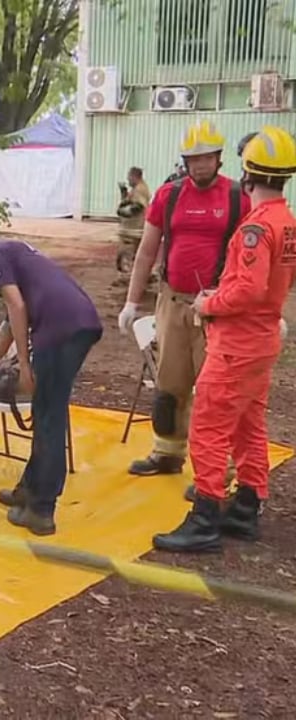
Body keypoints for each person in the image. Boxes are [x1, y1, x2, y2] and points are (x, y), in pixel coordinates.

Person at [153, 126, 296, 553]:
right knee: (249, 425)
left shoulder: (255, 228)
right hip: (261, 338)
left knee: (209, 426)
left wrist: (208, 304)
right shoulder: (287, 223)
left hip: (236, 342)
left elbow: (248, 289)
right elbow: (275, 283)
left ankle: (206, 516)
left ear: (248, 172)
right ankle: (247, 505)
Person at [117, 121, 249, 498]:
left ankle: (215, 472)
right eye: (193, 159)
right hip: (172, 302)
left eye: (206, 158)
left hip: (218, 309)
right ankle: (167, 452)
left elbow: (255, 258)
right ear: (185, 161)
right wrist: (131, 302)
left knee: (214, 391)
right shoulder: (168, 196)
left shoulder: (238, 198)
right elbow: (146, 250)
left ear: (219, 159)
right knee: (169, 384)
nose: (199, 165)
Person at [0, 236, 103, 535]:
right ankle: (28, 488)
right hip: (79, 322)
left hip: (60, 329)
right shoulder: (19, 263)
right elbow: (4, 339)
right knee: (45, 409)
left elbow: (16, 305)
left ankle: (41, 509)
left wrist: (24, 364)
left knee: (49, 417)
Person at [114, 166, 152, 279]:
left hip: (134, 230)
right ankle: (138, 275)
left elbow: (138, 206)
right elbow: (130, 201)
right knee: (133, 254)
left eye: (129, 177)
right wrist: (124, 193)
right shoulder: (137, 188)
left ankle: (129, 276)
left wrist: (124, 212)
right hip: (131, 229)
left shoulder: (140, 189)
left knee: (126, 253)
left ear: (135, 176)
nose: (128, 179)